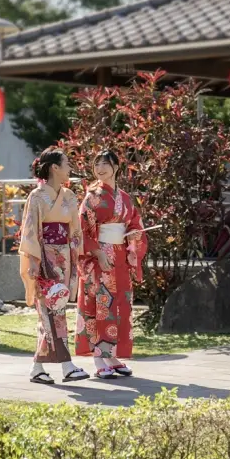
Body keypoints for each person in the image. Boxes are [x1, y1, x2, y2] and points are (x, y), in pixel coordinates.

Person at [18, 147, 90, 384]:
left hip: (64, 257)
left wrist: (75, 253)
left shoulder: (69, 195)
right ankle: (67, 365)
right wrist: (34, 262)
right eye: (66, 163)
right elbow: (30, 232)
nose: (70, 167)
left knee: (54, 310)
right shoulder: (37, 197)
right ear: (54, 168)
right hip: (45, 259)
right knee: (51, 310)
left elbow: (75, 230)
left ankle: (37, 368)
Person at [76, 150, 148, 379]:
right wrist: (97, 252)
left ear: (117, 166)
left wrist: (134, 235)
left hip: (120, 256)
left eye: (105, 164)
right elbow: (82, 230)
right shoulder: (92, 196)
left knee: (120, 306)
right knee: (101, 305)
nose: (100, 169)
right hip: (100, 258)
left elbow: (134, 222)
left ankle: (112, 356)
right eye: (96, 164)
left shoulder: (125, 197)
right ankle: (99, 358)